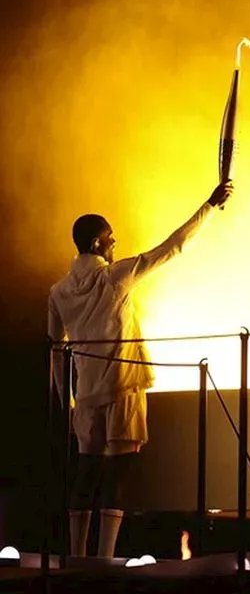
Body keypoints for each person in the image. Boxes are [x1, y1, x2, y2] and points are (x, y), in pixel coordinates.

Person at [48, 181, 234, 558]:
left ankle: (77, 555)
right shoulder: (115, 277)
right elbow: (173, 248)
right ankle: (103, 557)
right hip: (122, 387)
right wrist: (209, 206)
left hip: (85, 394)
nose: (115, 243)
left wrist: (65, 399)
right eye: (111, 239)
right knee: (118, 471)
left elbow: (55, 350)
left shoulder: (58, 292)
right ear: (99, 245)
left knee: (86, 469)